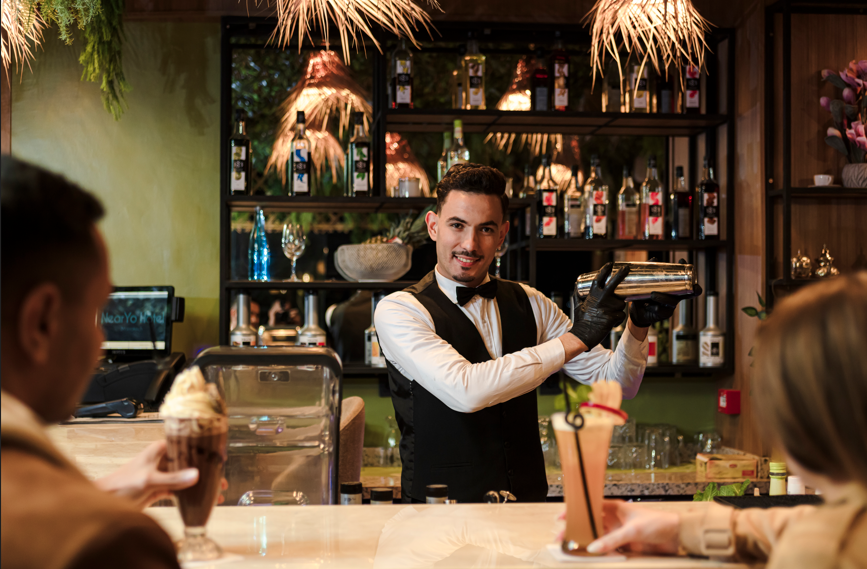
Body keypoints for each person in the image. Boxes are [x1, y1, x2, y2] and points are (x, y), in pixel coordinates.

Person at [375, 163, 698, 503]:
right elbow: (465, 390)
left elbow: (618, 384)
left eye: (486, 229)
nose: (470, 244)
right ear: (433, 226)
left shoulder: (530, 303)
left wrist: (637, 325)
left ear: (502, 235)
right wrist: (576, 338)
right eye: (457, 225)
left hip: (525, 509)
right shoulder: (400, 310)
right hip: (439, 518)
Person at [584, 274, 867, 568]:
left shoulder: (826, 552)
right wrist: (680, 530)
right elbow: (791, 526)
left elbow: (811, 538)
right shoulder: (842, 525)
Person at [0, 157, 198, 568]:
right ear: (41, 323)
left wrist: (98, 494)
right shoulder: (116, 544)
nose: (100, 343)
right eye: (96, 314)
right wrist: (98, 514)